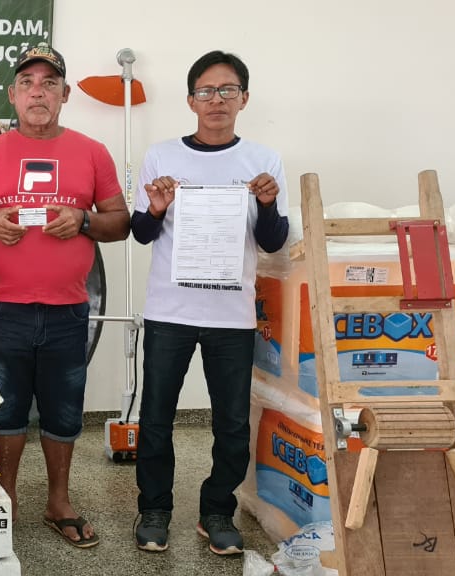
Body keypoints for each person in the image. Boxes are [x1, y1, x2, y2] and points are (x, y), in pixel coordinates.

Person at [0, 42, 130, 549]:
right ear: (12, 94)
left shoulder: (92, 152)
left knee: (64, 411)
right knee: (6, 410)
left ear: (65, 94)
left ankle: (59, 501)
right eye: (28, 84)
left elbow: (120, 222)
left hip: (68, 309)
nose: (38, 93)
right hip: (6, 307)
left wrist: (83, 219)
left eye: (49, 84)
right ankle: (6, 496)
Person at [130, 50, 289, 556]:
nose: (216, 100)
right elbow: (140, 232)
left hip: (232, 315)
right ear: (190, 100)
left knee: (232, 424)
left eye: (227, 90)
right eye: (205, 91)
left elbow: (273, 241)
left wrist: (267, 204)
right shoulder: (161, 156)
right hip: (169, 312)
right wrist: (157, 208)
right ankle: (154, 509)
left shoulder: (264, 160)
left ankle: (217, 510)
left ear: (244, 98)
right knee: (156, 417)